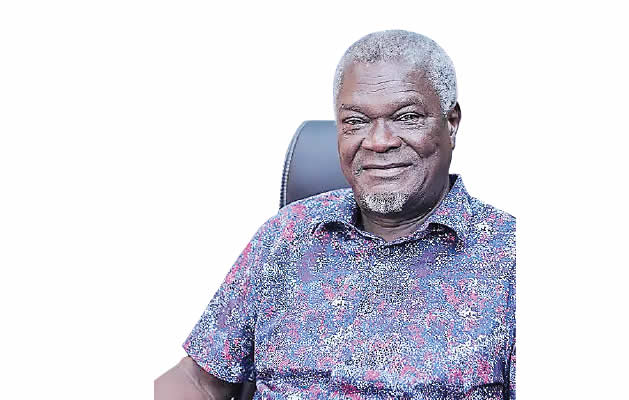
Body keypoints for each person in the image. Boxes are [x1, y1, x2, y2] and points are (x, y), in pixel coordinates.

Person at [156, 30, 516, 400]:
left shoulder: (511, 258)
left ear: (450, 123)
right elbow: (196, 381)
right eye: (356, 121)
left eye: (407, 117)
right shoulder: (288, 235)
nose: (379, 141)